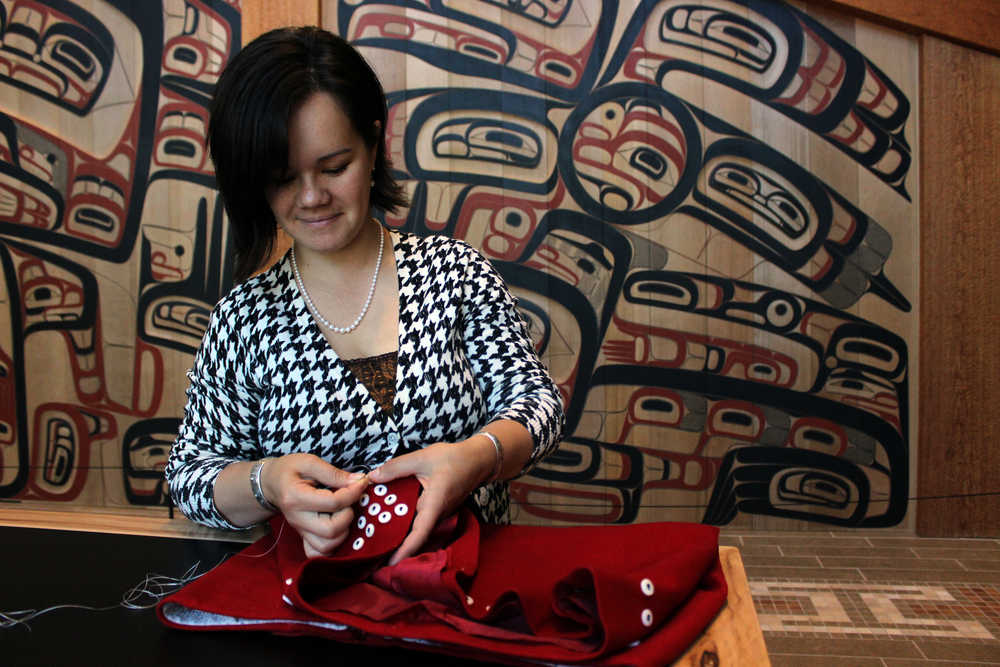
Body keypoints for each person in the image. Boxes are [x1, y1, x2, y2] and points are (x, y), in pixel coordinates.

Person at [165, 27, 564, 565]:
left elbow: (539, 406)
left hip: (469, 588)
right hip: (313, 607)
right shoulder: (244, 320)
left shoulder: (454, 271)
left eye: (334, 168)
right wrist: (269, 482)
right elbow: (190, 480)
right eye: (283, 178)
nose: (312, 197)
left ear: (374, 145)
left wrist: (477, 457)